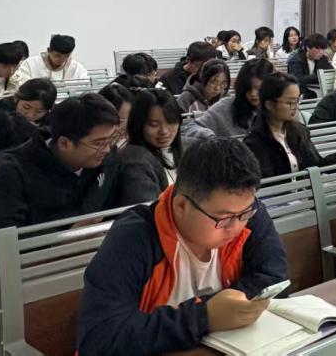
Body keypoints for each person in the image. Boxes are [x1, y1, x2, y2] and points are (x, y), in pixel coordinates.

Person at [77, 137, 287, 356]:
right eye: (223, 218)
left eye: (245, 213)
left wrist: (223, 311)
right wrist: (204, 316)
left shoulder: (249, 214)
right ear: (181, 206)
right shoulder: (134, 237)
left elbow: (273, 278)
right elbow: (100, 339)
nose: (235, 227)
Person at [0, 93, 120, 231]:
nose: (107, 149)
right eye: (99, 143)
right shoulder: (9, 171)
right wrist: (64, 236)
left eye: (111, 139)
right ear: (64, 143)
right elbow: (4, 235)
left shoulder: (106, 157)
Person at [244, 73, 336, 177]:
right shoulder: (254, 143)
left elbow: (317, 164)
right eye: (290, 102)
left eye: (297, 101)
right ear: (269, 104)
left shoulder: (299, 131)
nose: (296, 107)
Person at [183, 59, 275, 145]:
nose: (253, 94)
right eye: (248, 88)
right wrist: (211, 138)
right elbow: (190, 128)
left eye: (258, 88)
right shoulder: (227, 106)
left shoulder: (278, 107)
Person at [117, 89, 183, 205]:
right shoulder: (134, 161)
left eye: (171, 122)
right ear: (139, 124)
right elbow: (148, 208)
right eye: (154, 125)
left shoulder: (188, 149)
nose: (164, 131)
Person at [13, 34, 89, 84]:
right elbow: (19, 82)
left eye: (67, 56)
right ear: (49, 50)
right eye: (58, 55)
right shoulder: (31, 63)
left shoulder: (76, 67)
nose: (62, 60)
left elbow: (85, 85)